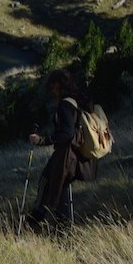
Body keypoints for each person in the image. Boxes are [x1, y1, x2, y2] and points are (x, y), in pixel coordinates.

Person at [26, 69, 98, 231]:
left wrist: (43, 140)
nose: (51, 90)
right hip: (79, 154)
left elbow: (67, 132)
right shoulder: (79, 99)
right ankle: (62, 226)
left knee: (47, 181)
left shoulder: (65, 104)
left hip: (66, 155)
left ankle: (36, 220)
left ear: (58, 85)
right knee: (62, 186)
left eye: (52, 86)